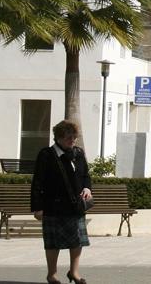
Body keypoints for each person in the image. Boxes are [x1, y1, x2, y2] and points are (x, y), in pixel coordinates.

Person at [31, 120, 93, 284]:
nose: (72, 140)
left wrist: (87, 188)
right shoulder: (46, 154)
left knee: (77, 241)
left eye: (74, 137)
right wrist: (37, 208)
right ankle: (52, 274)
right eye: (68, 137)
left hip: (76, 205)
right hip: (53, 206)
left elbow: (86, 175)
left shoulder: (78, 153)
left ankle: (74, 272)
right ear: (58, 138)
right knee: (53, 243)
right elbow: (37, 182)